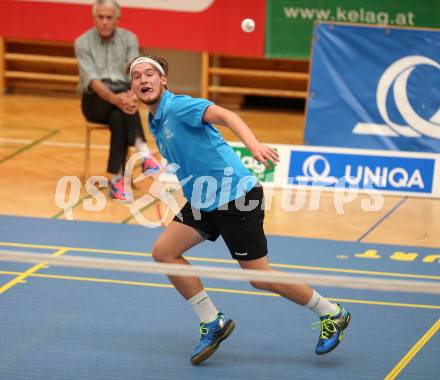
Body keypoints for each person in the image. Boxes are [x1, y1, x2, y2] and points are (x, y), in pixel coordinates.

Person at [128, 55, 351, 365]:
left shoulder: (180, 107)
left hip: (236, 198)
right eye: (136, 77)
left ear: (163, 80)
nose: (143, 80)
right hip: (202, 200)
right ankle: (212, 322)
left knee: (259, 277)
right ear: (132, 88)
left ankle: (332, 313)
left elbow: (227, 116)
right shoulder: (155, 120)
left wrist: (254, 146)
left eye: (149, 73)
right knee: (164, 251)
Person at [74, 0, 159, 201]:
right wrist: (117, 99)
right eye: (100, 17)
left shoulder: (129, 39)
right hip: (95, 100)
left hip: (122, 95)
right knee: (122, 109)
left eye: (109, 18)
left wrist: (130, 95)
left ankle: (116, 181)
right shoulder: (82, 42)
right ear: (94, 18)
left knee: (119, 117)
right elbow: (92, 81)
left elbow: (134, 72)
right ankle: (144, 153)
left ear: (117, 19)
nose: (104, 22)